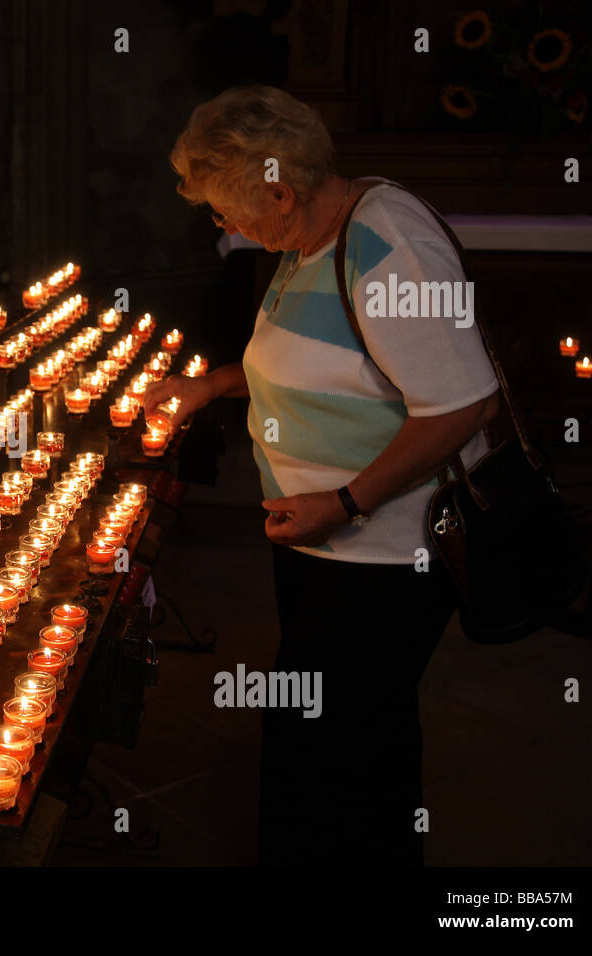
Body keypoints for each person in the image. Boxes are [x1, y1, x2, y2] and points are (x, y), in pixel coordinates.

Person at [148, 85, 500, 865]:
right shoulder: (307, 235)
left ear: (278, 189)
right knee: (331, 733)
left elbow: (462, 406)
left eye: (228, 211)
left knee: (341, 750)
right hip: (320, 545)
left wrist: (344, 502)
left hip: (386, 557)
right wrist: (208, 387)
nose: (227, 228)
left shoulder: (388, 246)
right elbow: (305, 356)